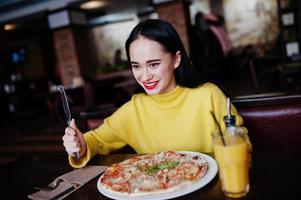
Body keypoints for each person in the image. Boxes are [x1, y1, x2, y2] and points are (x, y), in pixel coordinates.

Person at [63, 19, 250, 168]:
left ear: (176, 60)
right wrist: (79, 144)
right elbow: (96, 140)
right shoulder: (134, 109)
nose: (144, 76)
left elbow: (241, 142)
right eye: (136, 66)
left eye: (153, 64)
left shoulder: (208, 95)